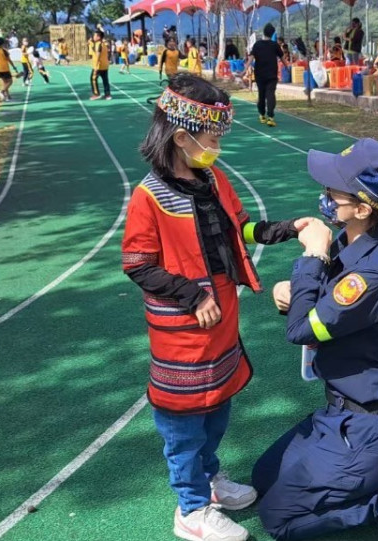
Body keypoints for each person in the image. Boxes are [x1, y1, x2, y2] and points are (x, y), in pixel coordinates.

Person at [124, 73, 315, 541]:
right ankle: (189, 509)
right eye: (213, 137)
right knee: (183, 421)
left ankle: (209, 482)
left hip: (221, 318)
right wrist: (192, 295)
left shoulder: (212, 178)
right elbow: (136, 263)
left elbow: (241, 229)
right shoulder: (149, 196)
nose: (218, 147)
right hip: (184, 328)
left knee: (217, 407)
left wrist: (288, 228)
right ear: (182, 136)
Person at [253, 137, 378, 541]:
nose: (324, 197)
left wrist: (311, 259)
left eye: (333, 191)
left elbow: (302, 331)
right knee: (263, 477)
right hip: (343, 415)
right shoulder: (352, 241)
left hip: (368, 425)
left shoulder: (374, 274)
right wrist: (294, 292)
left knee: (279, 520)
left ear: (363, 208)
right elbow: (320, 308)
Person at [249, 24, 284, 127]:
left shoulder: (257, 44)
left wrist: (244, 69)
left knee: (262, 94)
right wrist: (287, 66)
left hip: (260, 74)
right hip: (272, 74)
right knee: (270, 95)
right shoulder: (275, 45)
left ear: (264, 32)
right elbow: (282, 58)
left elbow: (250, 58)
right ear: (272, 33)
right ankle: (271, 117)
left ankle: (262, 115)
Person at [89, 30, 112, 100]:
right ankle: (107, 95)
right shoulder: (103, 44)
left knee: (93, 79)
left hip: (98, 66)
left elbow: (98, 54)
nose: (93, 37)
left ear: (98, 37)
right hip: (105, 65)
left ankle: (96, 94)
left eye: (94, 35)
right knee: (105, 80)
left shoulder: (98, 44)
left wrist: (96, 67)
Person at [0, 37, 14, 101]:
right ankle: (2, 91)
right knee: (10, 81)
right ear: (2, 43)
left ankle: (8, 96)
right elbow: (9, 60)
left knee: (5, 82)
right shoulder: (4, 50)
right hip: (5, 69)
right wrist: (13, 66)